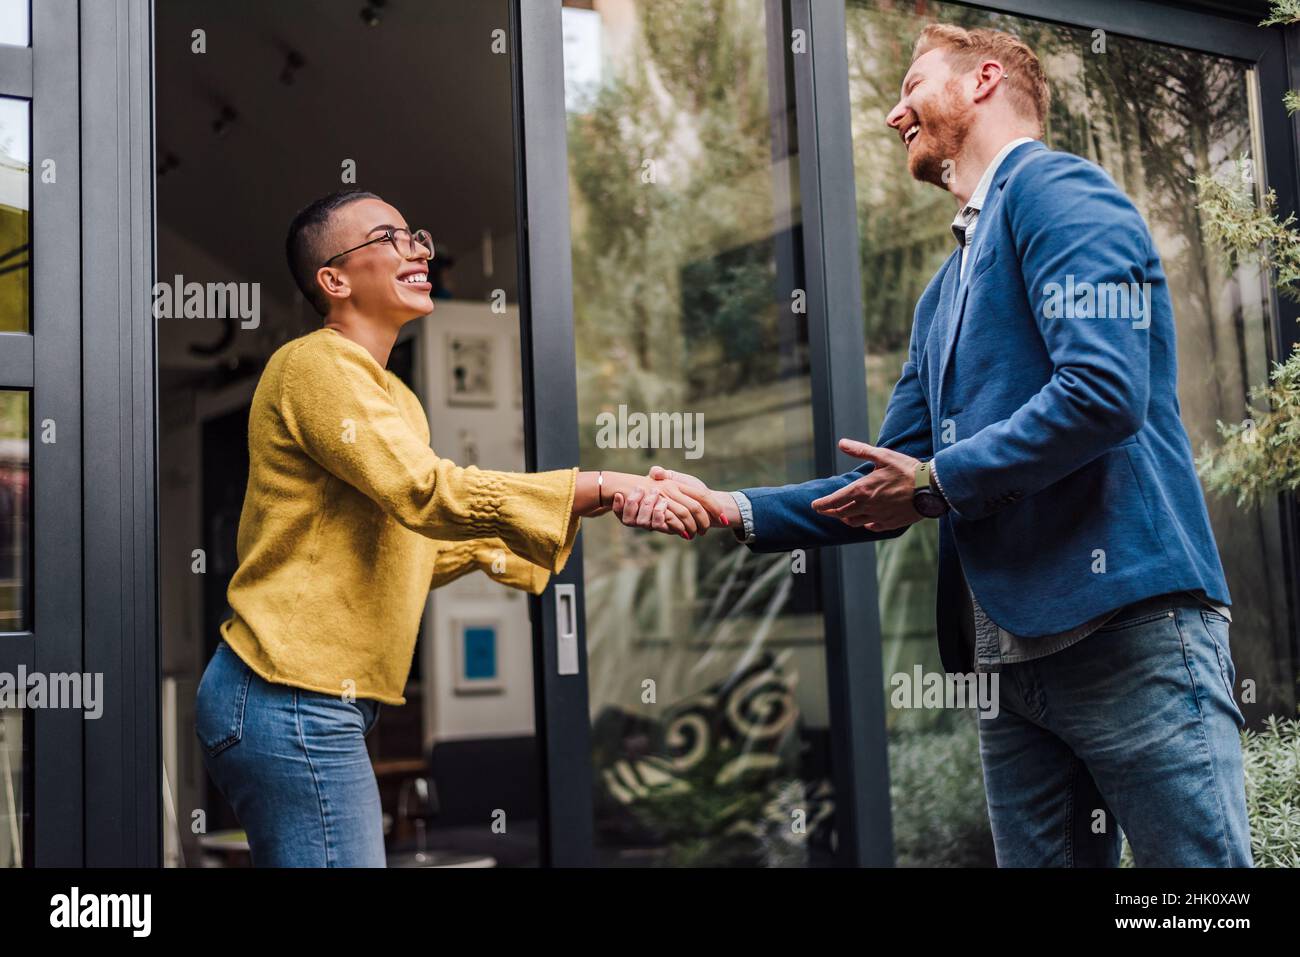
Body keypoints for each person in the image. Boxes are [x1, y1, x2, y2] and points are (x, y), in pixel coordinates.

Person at [613, 24, 1251, 868]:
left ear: (985, 79)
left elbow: (1103, 393)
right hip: (1006, 666)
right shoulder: (941, 294)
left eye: (912, 84)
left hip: (1125, 634)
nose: (891, 113)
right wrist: (729, 506)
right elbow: (886, 483)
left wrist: (934, 483)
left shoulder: (1057, 189)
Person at [194, 188, 724, 867]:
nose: (418, 249)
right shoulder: (313, 366)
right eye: (389, 238)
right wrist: (593, 487)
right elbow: (427, 492)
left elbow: (405, 539)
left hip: (312, 700)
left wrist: (550, 535)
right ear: (334, 279)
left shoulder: (396, 397)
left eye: (416, 234)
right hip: (285, 693)